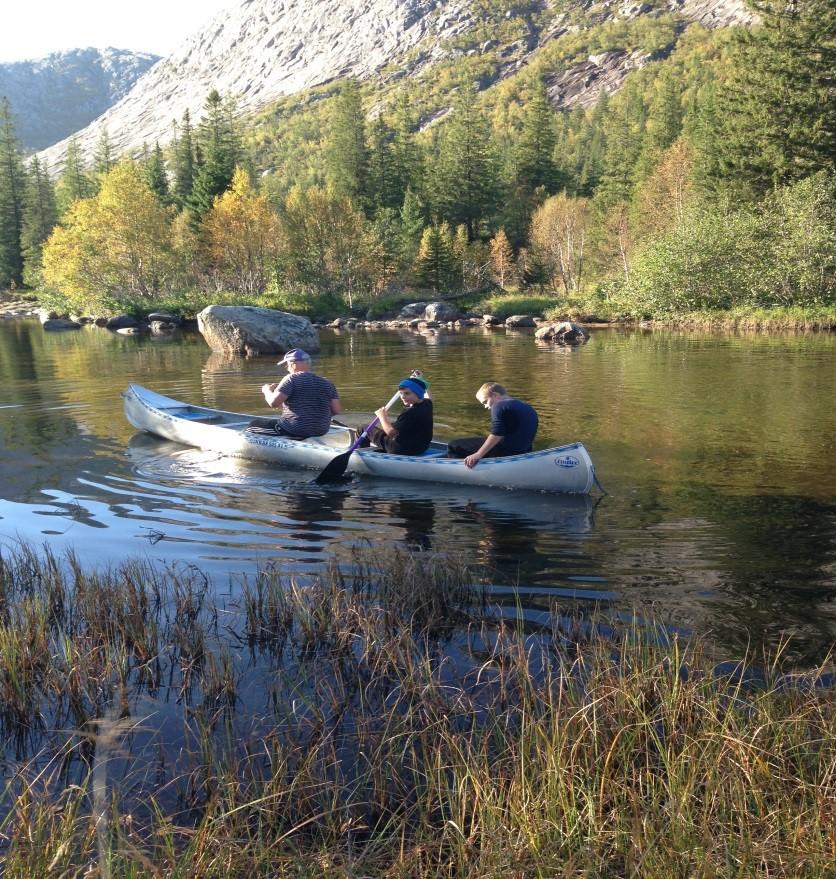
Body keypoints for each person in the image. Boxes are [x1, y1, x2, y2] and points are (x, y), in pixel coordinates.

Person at [248, 348, 341, 438]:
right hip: (322, 430)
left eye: (287, 365)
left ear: (293, 365)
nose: (287, 369)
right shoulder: (328, 383)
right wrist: (316, 418)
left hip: (293, 429)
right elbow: (336, 410)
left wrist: (266, 390)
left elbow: (273, 403)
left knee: (253, 425)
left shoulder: (291, 379)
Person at [447, 382, 538, 468]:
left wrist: (478, 454)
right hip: (524, 451)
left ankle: (464, 472)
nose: (486, 407)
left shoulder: (499, 405)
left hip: (506, 452)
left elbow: (497, 434)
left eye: (485, 402)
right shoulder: (526, 406)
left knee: (454, 445)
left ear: (495, 395)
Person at [367, 375, 434, 456]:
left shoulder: (410, 413)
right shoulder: (427, 404)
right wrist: (421, 378)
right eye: (401, 393)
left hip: (400, 449)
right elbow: (428, 395)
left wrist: (382, 417)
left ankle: (360, 453)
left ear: (418, 393)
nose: (402, 397)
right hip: (422, 447)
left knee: (364, 429)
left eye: (407, 393)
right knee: (389, 426)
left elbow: (392, 433)